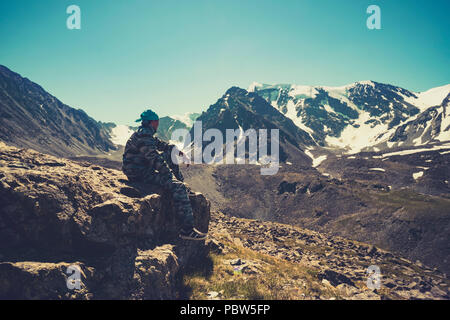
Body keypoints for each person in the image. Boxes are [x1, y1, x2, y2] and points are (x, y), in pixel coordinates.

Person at [122, 109, 207, 241]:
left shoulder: (144, 134)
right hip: (138, 174)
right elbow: (155, 160)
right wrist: (171, 179)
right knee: (177, 187)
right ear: (153, 122)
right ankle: (187, 230)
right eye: (157, 122)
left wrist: (178, 152)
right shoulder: (144, 137)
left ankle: (183, 187)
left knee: (171, 154)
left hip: (140, 169)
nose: (158, 125)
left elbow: (162, 146)